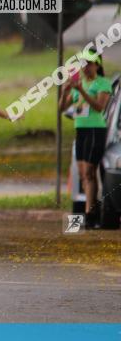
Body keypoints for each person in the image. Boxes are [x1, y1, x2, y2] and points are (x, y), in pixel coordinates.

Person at [60, 49, 110, 229]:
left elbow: (99, 106)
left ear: (97, 64)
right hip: (80, 130)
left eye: (89, 64)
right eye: (83, 64)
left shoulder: (103, 83)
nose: (85, 67)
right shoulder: (77, 85)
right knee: (83, 174)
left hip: (95, 129)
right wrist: (66, 91)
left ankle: (90, 213)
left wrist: (82, 90)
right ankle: (90, 211)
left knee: (90, 171)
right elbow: (62, 108)